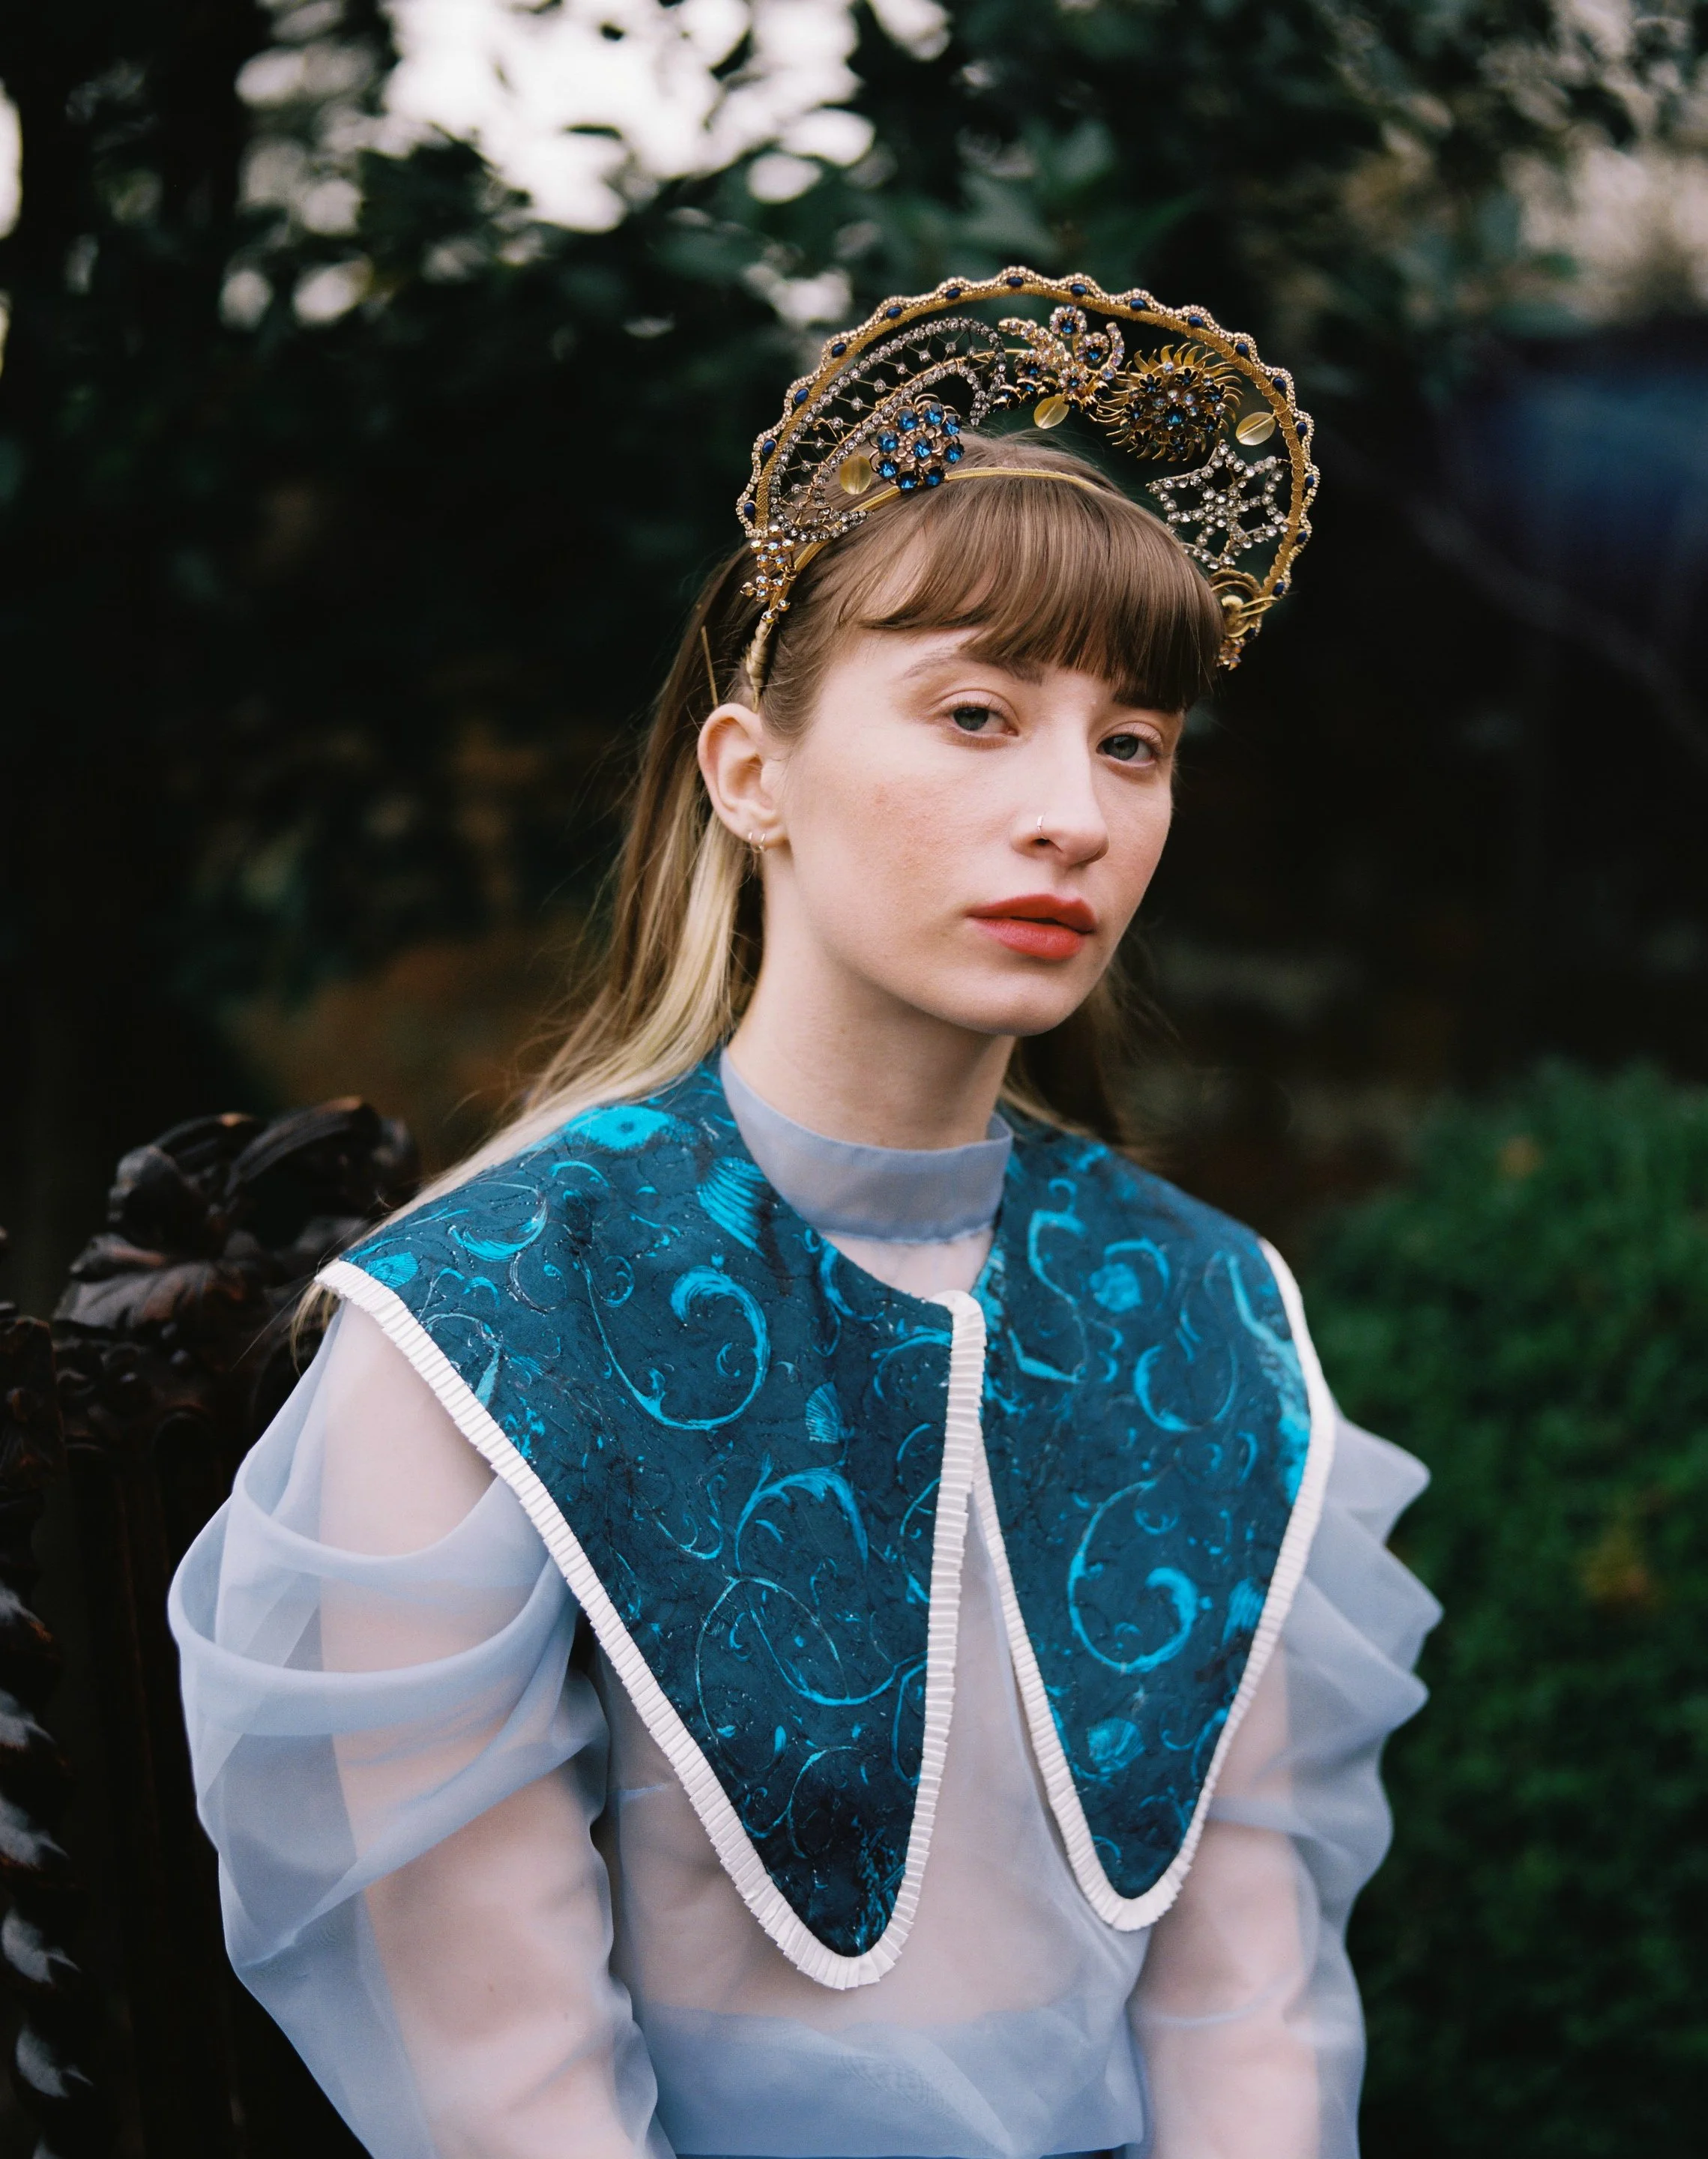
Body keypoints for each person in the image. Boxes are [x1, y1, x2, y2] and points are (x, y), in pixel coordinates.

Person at [169, 269, 1439, 2159]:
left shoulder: (1204, 1313)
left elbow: (1247, 2010)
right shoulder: (497, 1319)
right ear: (750, 775)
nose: (1073, 815)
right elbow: (504, 2095)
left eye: (1132, 741)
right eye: (976, 711)